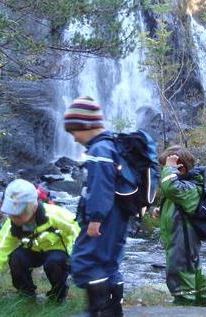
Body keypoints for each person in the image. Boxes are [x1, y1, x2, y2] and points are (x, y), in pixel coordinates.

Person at [64, 96, 132, 316]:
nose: (74, 139)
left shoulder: (99, 150)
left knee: (86, 260)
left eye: (73, 132)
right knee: (108, 262)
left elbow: (101, 186)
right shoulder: (112, 145)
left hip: (104, 219)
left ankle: (98, 310)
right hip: (118, 216)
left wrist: (95, 218)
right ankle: (112, 310)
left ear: (85, 126)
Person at [0, 179, 79, 303]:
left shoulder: (55, 215)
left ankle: (58, 296)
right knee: (16, 258)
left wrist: (77, 256)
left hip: (56, 251)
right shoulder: (11, 225)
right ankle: (26, 295)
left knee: (54, 263)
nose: (14, 219)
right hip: (33, 250)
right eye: (11, 214)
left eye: (19, 214)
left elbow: (78, 232)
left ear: (33, 208)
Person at [152, 145, 206, 306]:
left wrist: (170, 170)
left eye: (167, 168)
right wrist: (162, 210)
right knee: (191, 268)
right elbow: (176, 203)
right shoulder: (184, 186)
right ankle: (201, 301)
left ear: (181, 169)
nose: (164, 171)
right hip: (177, 237)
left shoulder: (190, 187)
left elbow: (170, 188)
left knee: (179, 270)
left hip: (183, 240)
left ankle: (183, 302)